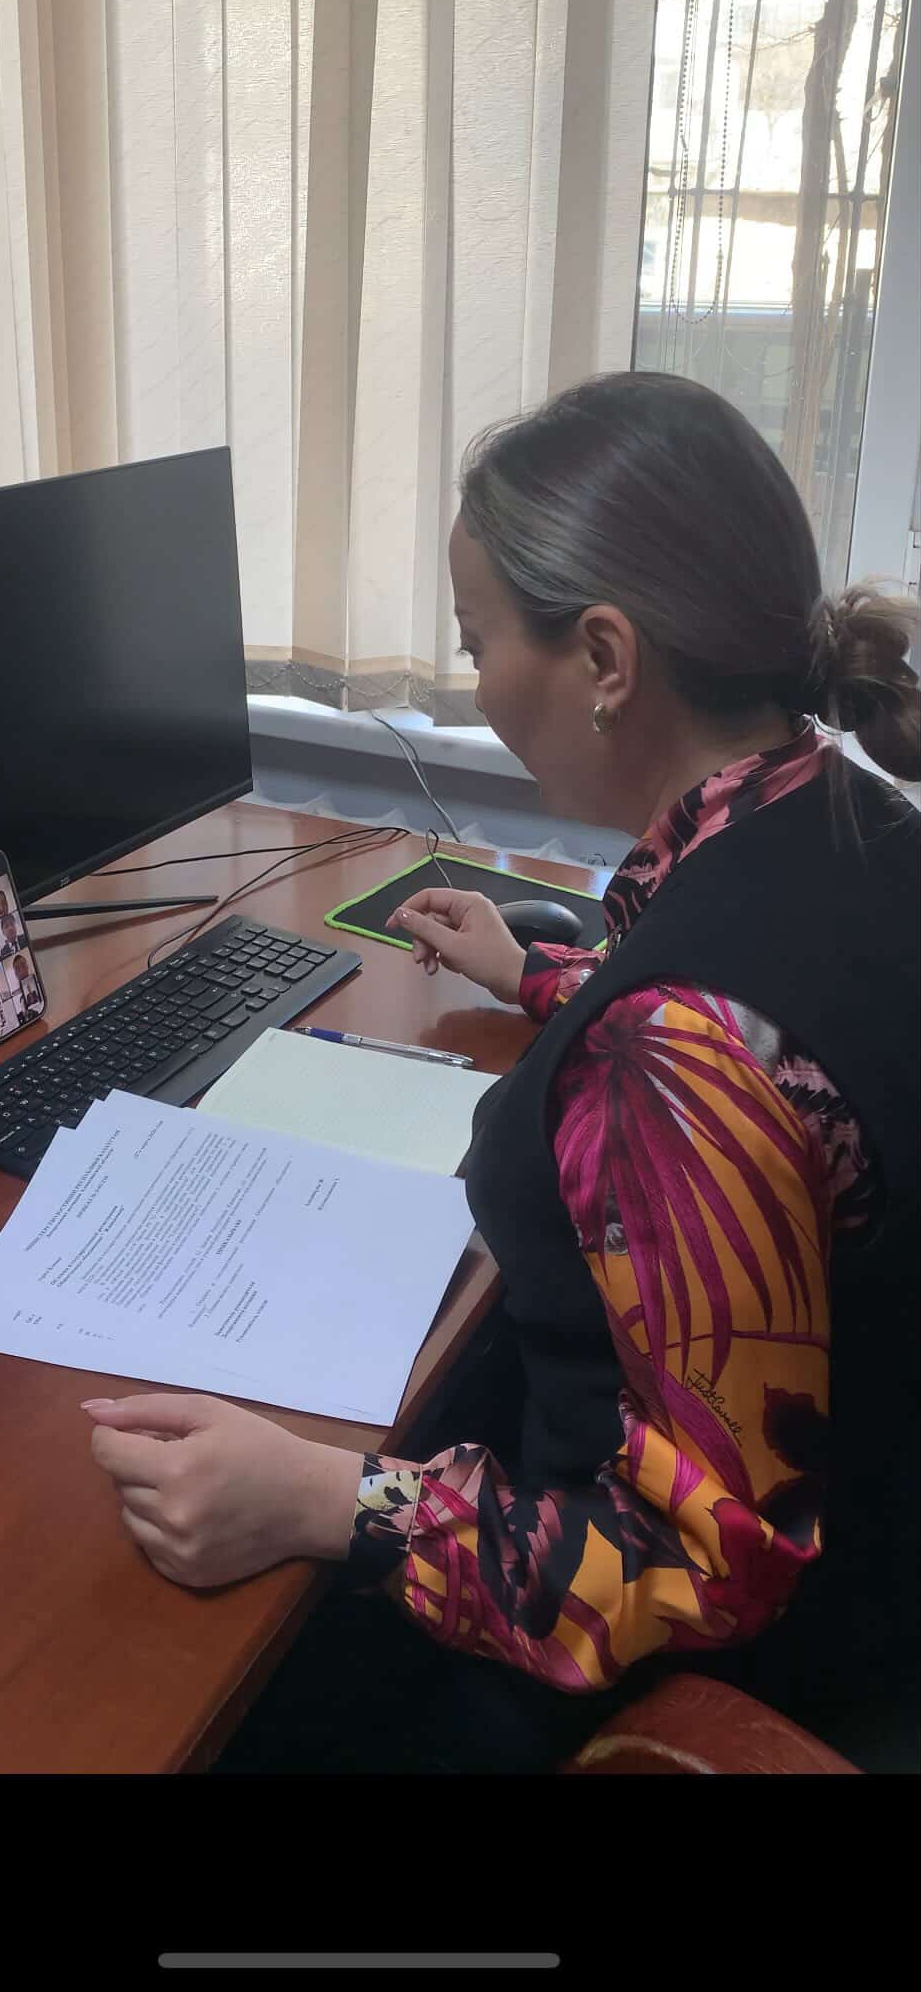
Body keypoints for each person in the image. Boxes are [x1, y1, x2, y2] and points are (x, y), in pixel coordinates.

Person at [83, 373, 920, 1775]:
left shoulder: (675, 1048)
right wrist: (546, 978)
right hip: (879, 1505)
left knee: (176, 1684)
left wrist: (324, 1500)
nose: (475, 681)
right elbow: (789, 1059)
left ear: (604, 658)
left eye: (478, 645)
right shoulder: (852, 814)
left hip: (694, 1664)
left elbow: (701, 1566)